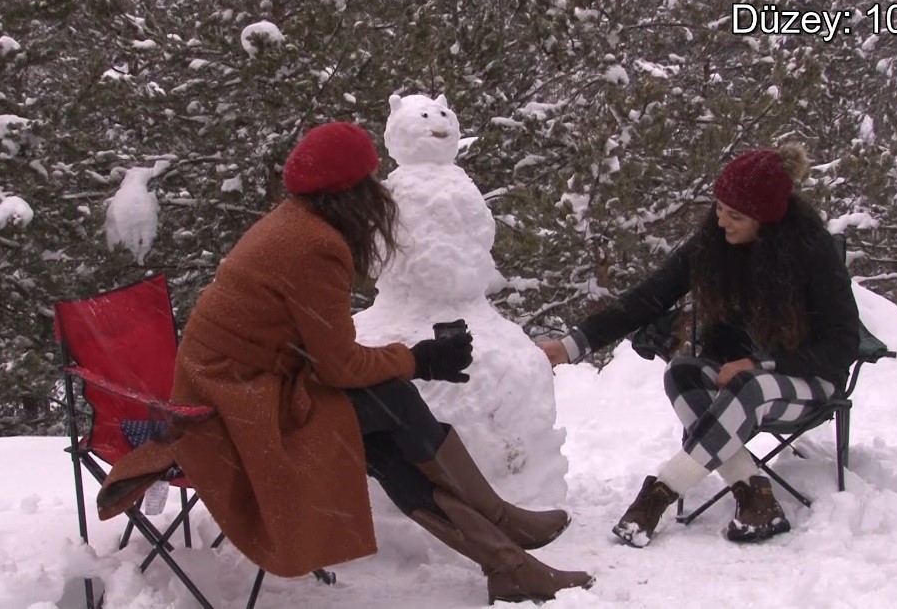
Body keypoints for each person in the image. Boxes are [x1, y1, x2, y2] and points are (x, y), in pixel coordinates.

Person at [98, 122, 592, 603]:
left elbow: (322, 355)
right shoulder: (314, 246)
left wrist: (414, 363)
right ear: (353, 193)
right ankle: (503, 539)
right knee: (393, 403)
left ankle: (505, 554)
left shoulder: (295, 224)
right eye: (371, 181)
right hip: (229, 413)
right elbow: (338, 367)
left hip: (239, 391)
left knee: (382, 433)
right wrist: (418, 360)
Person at [538, 143, 859, 547]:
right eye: (720, 207)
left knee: (750, 386)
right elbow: (649, 296)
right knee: (682, 372)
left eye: (736, 215)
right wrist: (571, 346)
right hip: (748, 380)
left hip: (809, 376)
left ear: (766, 219)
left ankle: (658, 495)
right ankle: (757, 499)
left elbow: (843, 343)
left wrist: (764, 365)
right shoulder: (715, 242)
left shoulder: (811, 252)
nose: (722, 220)